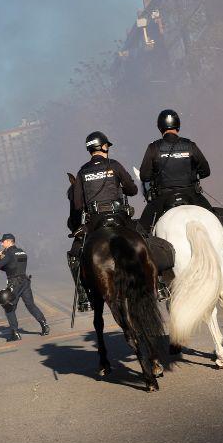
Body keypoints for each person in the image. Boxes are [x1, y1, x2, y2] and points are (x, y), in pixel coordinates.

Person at [67, 130, 139, 312]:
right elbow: (132, 190)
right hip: (118, 216)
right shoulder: (114, 165)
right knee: (144, 237)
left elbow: (77, 204)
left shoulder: (82, 172)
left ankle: (84, 297)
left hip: (95, 221)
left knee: (75, 254)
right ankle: (160, 283)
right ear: (104, 146)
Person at [137, 109, 213, 231]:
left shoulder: (153, 148)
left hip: (163, 197)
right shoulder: (190, 145)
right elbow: (206, 171)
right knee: (216, 222)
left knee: (141, 231)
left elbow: (144, 176)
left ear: (160, 127)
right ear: (178, 125)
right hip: (191, 194)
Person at [0, 234, 49, 342]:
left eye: (3, 241)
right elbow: (13, 266)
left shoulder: (8, 253)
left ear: (9, 241)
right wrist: (3, 267)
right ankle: (44, 324)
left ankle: (15, 333)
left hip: (14, 283)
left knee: (9, 308)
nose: (2, 244)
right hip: (25, 281)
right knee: (31, 305)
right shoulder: (21, 252)